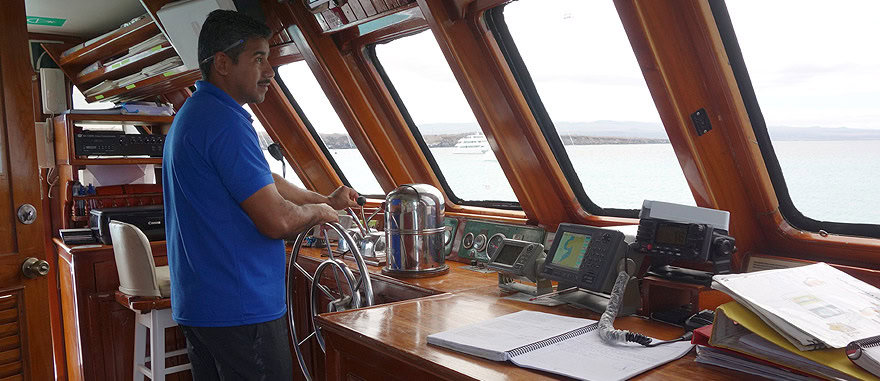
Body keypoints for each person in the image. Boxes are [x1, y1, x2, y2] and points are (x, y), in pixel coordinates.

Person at [162, 9, 359, 379]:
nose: (270, 71)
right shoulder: (225, 124)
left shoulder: (195, 112)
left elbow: (261, 179)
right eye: (258, 58)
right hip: (239, 307)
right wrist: (321, 217)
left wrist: (323, 201)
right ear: (222, 63)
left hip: (202, 305)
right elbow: (277, 221)